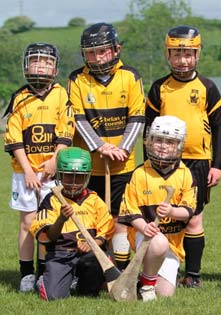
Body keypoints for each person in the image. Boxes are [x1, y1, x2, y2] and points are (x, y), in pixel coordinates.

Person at [144, 25, 221, 288]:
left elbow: (219, 128)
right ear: (168, 55)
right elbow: (147, 129)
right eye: (177, 54)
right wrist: (147, 162)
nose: (183, 60)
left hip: (198, 162)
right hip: (164, 161)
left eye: (189, 54)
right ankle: (163, 268)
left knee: (193, 217)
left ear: (198, 54)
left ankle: (193, 275)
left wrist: (217, 166)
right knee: (164, 216)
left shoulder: (208, 87)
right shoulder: (159, 88)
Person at [67, 22, 145, 271]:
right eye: (90, 52)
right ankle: (93, 267)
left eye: (102, 51)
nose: (96, 57)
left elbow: (137, 117)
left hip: (123, 164)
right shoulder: (76, 79)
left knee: (120, 218)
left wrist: (122, 148)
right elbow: (78, 119)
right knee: (91, 217)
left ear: (116, 49)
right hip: (88, 165)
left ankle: (119, 267)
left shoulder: (130, 76)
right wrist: (100, 147)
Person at [3, 42, 74, 292]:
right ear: (26, 65)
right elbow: (14, 139)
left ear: (55, 68)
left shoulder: (61, 94)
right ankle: (26, 273)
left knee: (48, 222)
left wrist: (55, 160)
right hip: (26, 173)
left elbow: (66, 131)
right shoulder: (19, 98)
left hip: (52, 174)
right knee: (27, 222)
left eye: (47, 61)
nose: (41, 65)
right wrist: (29, 170)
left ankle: (46, 271)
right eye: (36, 60)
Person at [119, 116, 196, 301]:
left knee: (165, 293)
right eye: (158, 140)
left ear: (179, 145)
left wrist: (171, 212)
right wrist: (144, 227)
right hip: (143, 236)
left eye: (170, 142)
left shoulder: (185, 175)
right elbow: (129, 211)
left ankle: (144, 279)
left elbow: (188, 211)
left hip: (172, 244)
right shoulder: (139, 174)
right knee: (158, 241)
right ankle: (146, 285)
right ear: (149, 141)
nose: (163, 145)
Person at [29, 147, 115, 300]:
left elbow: (106, 230)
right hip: (61, 254)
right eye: (69, 176)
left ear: (88, 176)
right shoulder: (51, 200)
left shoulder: (95, 200)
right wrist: (61, 218)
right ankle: (49, 278)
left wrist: (93, 243)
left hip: (88, 255)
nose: (74, 183)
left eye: (79, 177)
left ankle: (79, 282)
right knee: (53, 297)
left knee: (89, 293)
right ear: (60, 175)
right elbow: (49, 237)